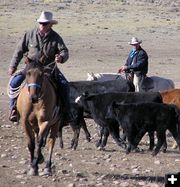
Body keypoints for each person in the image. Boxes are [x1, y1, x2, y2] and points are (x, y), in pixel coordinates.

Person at [8, 11, 73, 122]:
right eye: (41, 23)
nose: (42, 25)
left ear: (50, 24)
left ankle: (66, 112)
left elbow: (64, 51)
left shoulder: (56, 37)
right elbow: (19, 50)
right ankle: (14, 109)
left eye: (45, 23)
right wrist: (12, 66)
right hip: (30, 68)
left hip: (48, 68)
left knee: (64, 85)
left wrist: (61, 58)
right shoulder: (29, 34)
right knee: (14, 83)